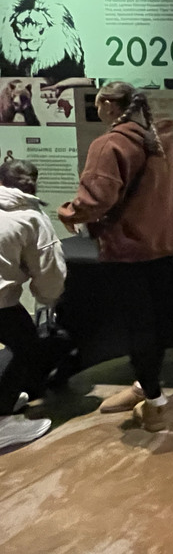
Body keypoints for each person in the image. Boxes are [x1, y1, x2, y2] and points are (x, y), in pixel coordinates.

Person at [58, 82, 173, 432]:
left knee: (138, 325)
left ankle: (154, 403)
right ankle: (146, 388)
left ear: (110, 105)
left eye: (99, 104)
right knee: (156, 321)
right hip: (164, 245)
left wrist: (68, 212)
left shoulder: (109, 145)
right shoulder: (163, 142)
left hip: (128, 250)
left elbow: (96, 198)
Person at [0, 159, 65, 449]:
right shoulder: (31, 217)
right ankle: (2, 421)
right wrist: (48, 299)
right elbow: (49, 270)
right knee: (26, 346)